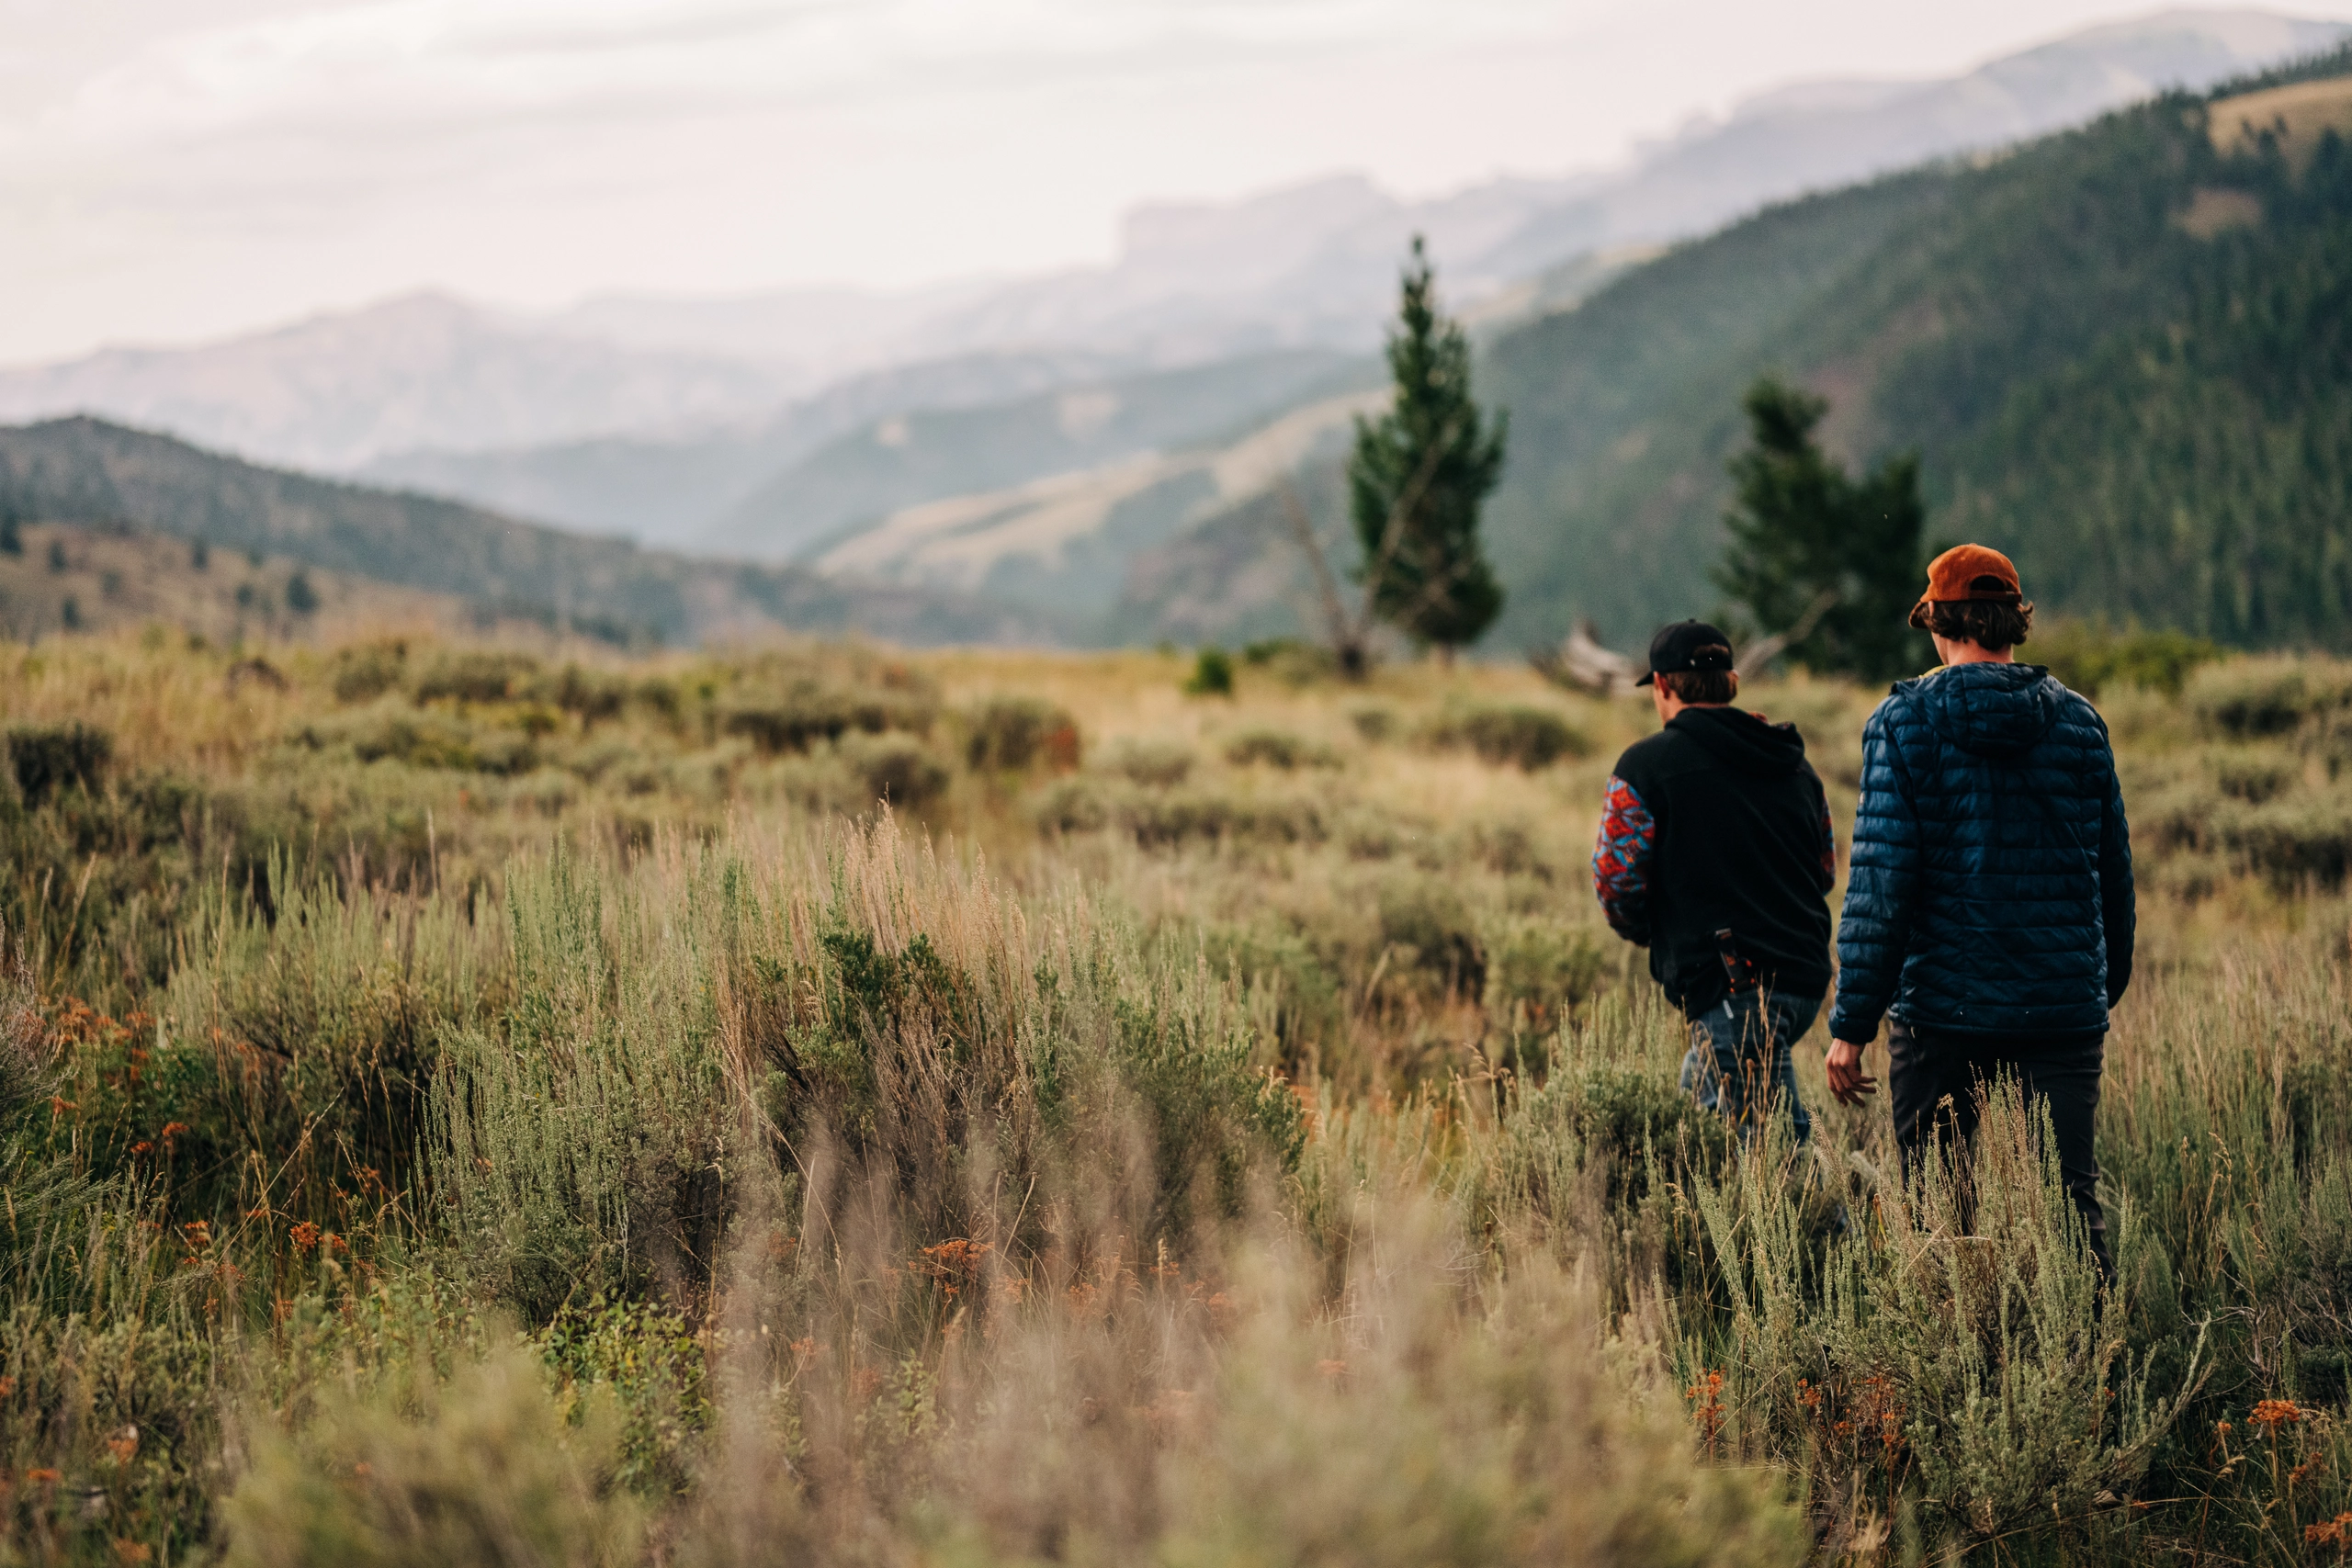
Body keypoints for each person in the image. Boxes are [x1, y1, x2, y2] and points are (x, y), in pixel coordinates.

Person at [1826, 544, 2132, 1277]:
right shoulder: (2082, 724)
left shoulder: (1902, 723)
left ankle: (1955, 1379)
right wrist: (2093, 992)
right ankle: (2096, 1381)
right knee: (2070, 1216)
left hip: (1941, 1016)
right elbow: (2113, 880)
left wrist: (1851, 1025)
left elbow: (1881, 885)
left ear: (1939, 622)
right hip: (2060, 1014)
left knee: (1938, 1218)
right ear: (2011, 621)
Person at [1593, 620, 1838, 1139]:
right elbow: (1824, 871)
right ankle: (1825, 1215)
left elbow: (1615, 879)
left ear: (1662, 685)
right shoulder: (1796, 766)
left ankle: (1832, 1222)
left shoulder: (1646, 765)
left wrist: (1648, 929)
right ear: (1731, 681)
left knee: (1742, 1157)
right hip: (1803, 981)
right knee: (1698, 1135)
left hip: (1732, 986)